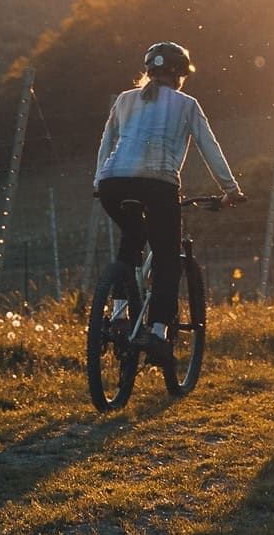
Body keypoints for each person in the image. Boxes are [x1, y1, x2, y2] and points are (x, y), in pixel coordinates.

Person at [90, 41, 245, 359]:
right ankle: (158, 333)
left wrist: (98, 181)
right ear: (180, 76)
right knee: (166, 257)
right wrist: (230, 190)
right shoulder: (187, 104)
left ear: (149, 71)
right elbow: (209, 147)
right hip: (158, 184)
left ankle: (119, 316)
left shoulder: (124, 99)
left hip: (112, 183)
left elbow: (107, 141)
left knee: (132, 237)